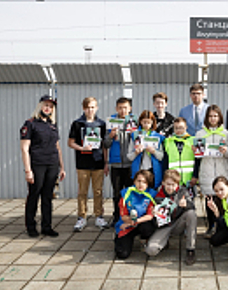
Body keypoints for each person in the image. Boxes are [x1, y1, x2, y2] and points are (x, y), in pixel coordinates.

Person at [20, 95, 66, 237]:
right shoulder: (30, 124)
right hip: (37, 164)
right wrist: (28, 170)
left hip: (52, 165)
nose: (48, 108)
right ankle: (31, 226)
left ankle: (47, 226)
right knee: (34, 195)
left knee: (47, 196)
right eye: (46, 105)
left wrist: (62, 167)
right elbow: (24, 149)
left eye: (51, 106)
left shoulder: (52, 125)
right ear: (40, 106)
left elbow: (57, 147)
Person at [68, 97, 109, 232]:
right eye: (87, 107)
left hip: (98, 163)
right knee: (82, 192)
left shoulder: (102, 124)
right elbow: (70, 142)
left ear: (96, 108)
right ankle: (81, 217)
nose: (90, 110)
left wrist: (106, 162)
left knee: (98, 191)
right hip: (82, 163)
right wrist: (82, 148)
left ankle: (99, 216)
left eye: (92, 107)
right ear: (83, 108)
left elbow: (104, 146)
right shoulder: (77, 124)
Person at [193, 104, 228, 238]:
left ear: (219, 117)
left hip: (222, 170)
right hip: (207, 170)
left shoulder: (226, 133)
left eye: (215, 116)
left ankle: (223, 226)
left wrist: (227, 151)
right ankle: (211, 226)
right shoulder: (200, 134)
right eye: (210, 116)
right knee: (209, 199)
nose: (213, 118)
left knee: (221, 199)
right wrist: (196, 151)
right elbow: (197, 157)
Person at [145, 169, 197, 265]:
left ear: (177, 184)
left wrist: (186, 204)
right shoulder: (157, 195)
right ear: (163, 183)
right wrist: (153, 215)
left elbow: (193, 206)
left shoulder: (182, 191)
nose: (170, 187)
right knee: (151, 250)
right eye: (168, 184)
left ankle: (190, 250)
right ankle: (164, 242)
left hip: (178, 223)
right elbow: (154, 222)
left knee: (191, 214)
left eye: (173, 185)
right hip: (164, 226)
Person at [103, 97, 135, 226]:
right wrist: (110, 136)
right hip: (115, 164)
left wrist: (134, 133)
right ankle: (116, 216)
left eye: (125, 108)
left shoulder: (134, 121)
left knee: (129, 192)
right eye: (120, 108)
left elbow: (140, 140)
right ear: (116, 108)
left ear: (130, 109)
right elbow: (105, 144)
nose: (123, 110)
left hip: (130, 163)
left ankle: (127, 217)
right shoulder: (111, 121)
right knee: (116, 193)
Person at [114, 170, 157, 259]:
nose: (141, 184)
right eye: (139, 181)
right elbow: (123, 215)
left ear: (148, 184)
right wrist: (129, 222)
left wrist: (135, 222)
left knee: (148, 227)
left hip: (140, 223)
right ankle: (120, 239)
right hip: (127, 225)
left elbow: (150, 215)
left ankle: (144, 240)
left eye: (144, 182)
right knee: (122, 254)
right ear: (134, 181)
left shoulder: (151, 195)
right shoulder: (127, 194)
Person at [127, 110, 165, 189]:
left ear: (152, 123)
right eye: (144, 122)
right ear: (140, 121)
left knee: (152, 193)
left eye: (149, 122)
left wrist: (154, 151)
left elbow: (161, 156)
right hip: (139, 170)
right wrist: (136, 153)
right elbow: (129, 156)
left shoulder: (157, 137)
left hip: (153, 170)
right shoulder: (135, 135)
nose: (146, 125)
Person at [163, 117, 195, 188]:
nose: (178, 130)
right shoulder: (168, 141)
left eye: (181, 128)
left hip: (189, 179)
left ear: (186, 127)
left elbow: (198, 160)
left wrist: (195, 176)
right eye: (176, 128)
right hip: (173, 180)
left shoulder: (193, 141)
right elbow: (165, 161)